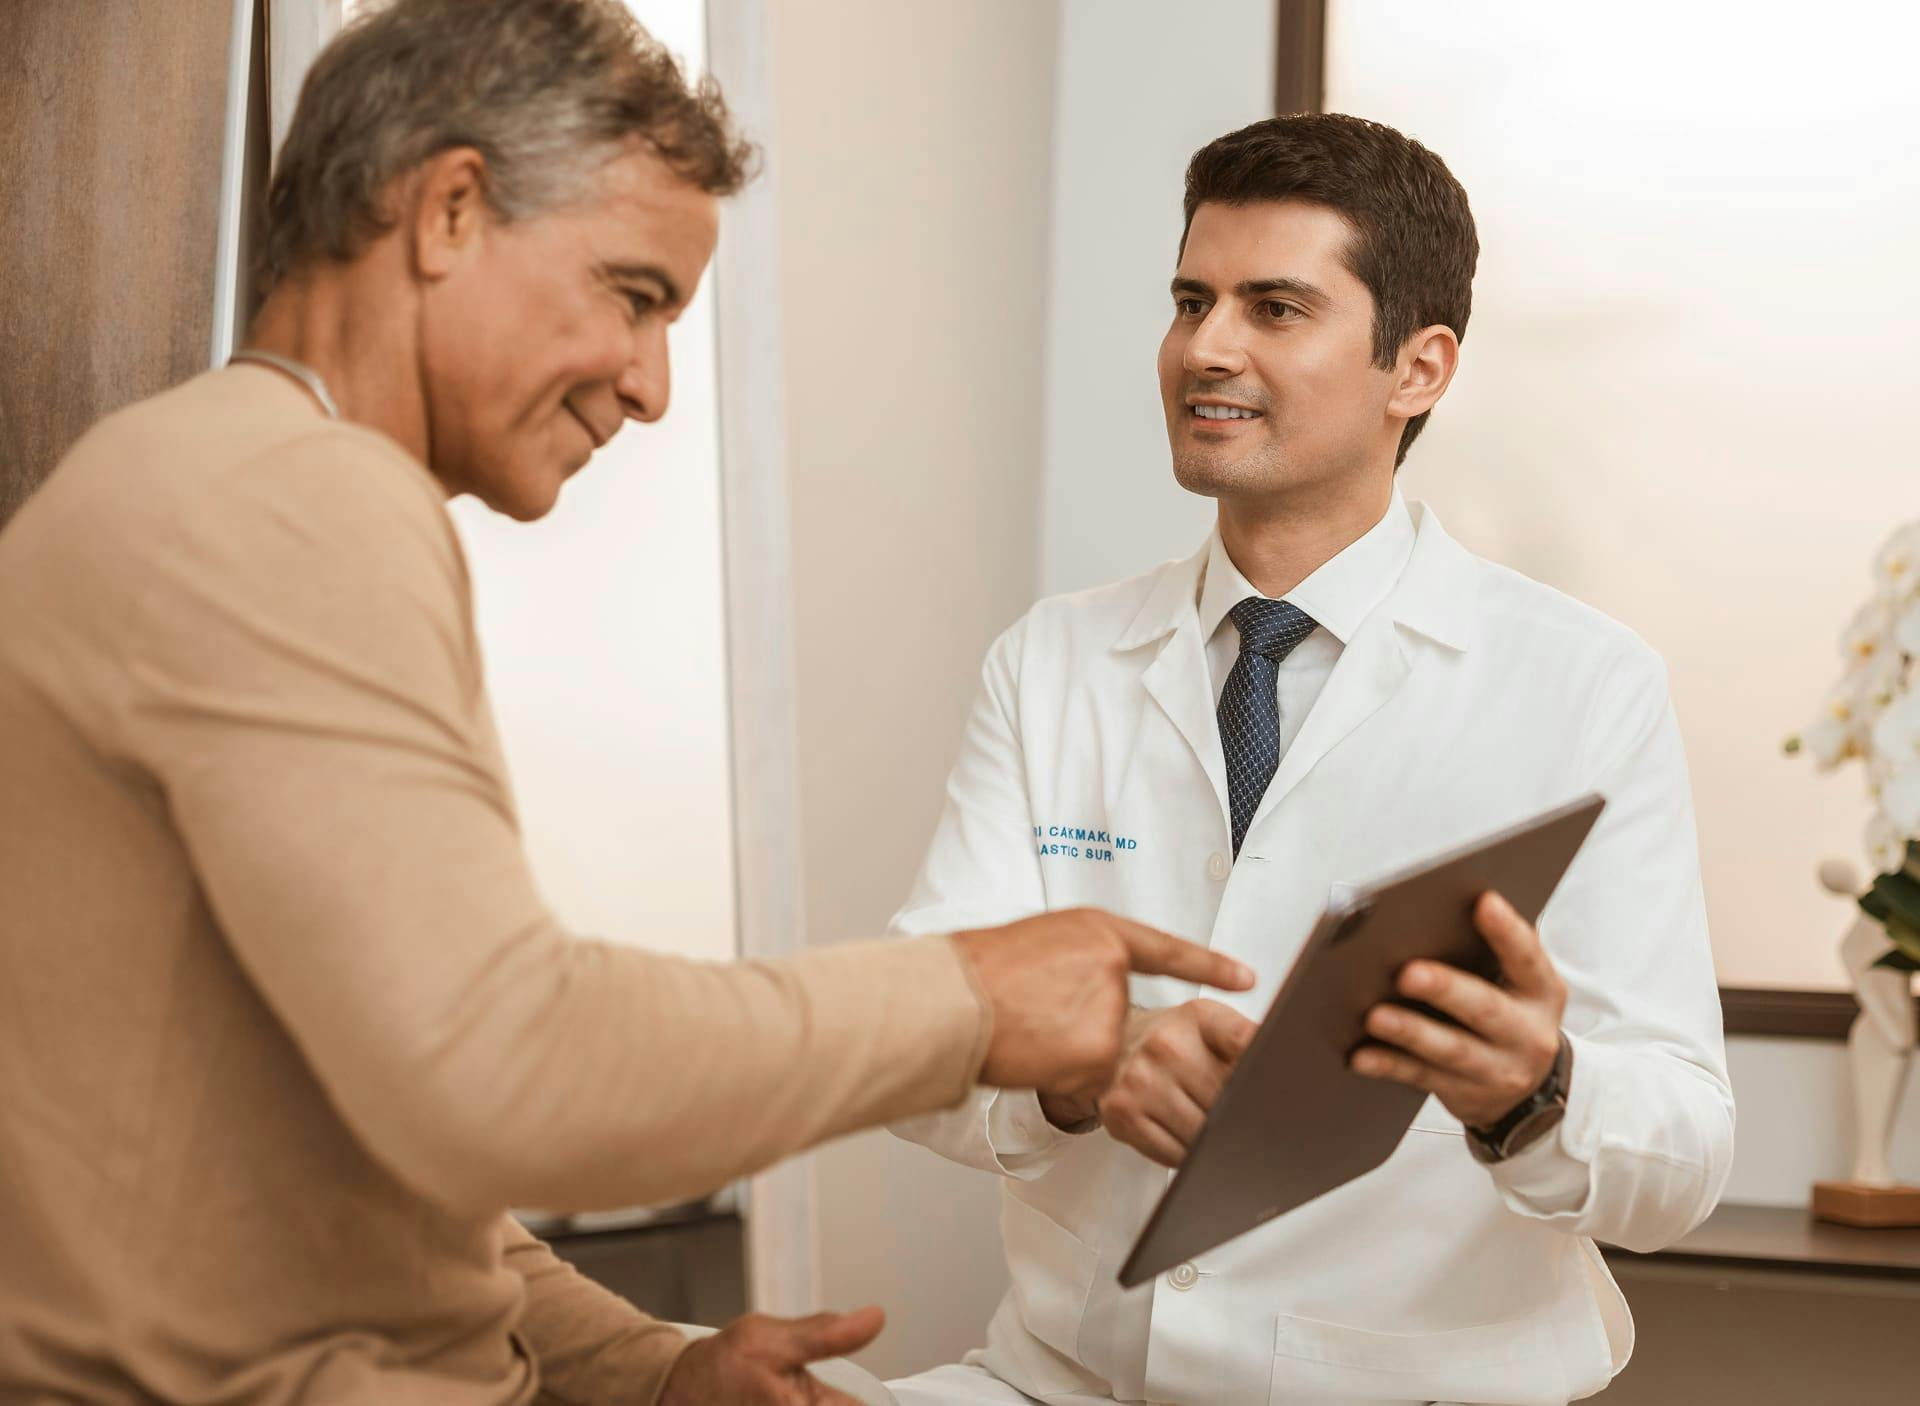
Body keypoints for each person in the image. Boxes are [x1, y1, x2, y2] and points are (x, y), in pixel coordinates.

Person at [0, 3, 1253, 1403]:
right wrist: (967, 998)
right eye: (635, 295)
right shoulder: (293, 501)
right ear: (452, 213)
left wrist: (655, 1372)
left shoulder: (218, 479)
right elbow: (508, 1060)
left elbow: (384, 1164)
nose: (654, 387)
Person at [886, 114, 1735, 1406]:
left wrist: (1534, 1091)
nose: (1205, 348)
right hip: (1058, 1379)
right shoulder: (1052, 660)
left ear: (1420, 368)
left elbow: (1683, 1156)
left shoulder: (1581, 683)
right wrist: (1078, 1060)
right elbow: (908, 1046)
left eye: (1274, 307)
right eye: (1190, 299)